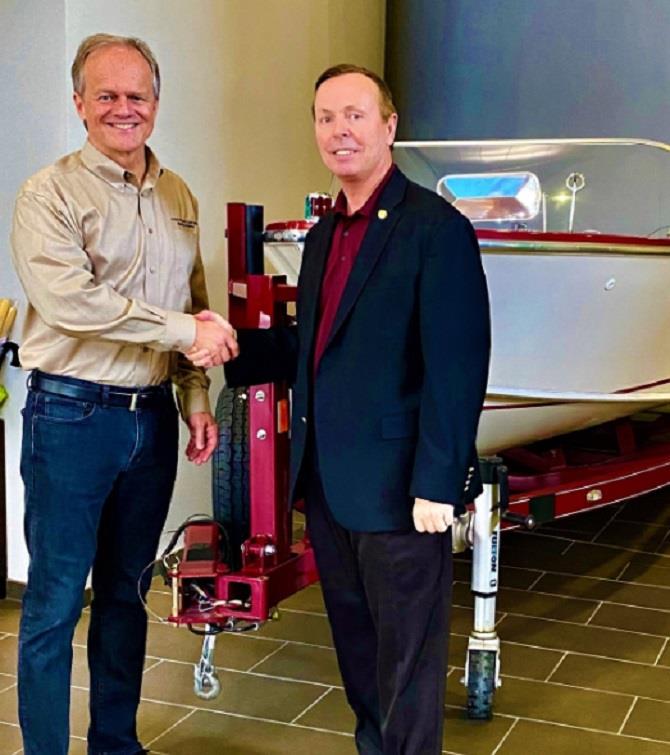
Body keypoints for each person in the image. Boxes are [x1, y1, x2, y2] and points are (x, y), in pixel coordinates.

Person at [214, 64, 490, 754]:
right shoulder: (324, 234)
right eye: (326, 117)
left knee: (407, 670)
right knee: (361, 664)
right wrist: (228, 347)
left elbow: (458, 366)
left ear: (389, 127)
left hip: (401, 496)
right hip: (332, 491)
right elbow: (317, 347)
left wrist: (438, 482)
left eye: (355, 114)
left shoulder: (437, 228)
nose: (340, 130)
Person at [10, 33, 237, 755]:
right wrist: (182, 332)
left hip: (150, 424)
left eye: (136, 95)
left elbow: (192, 306)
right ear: (79, 104)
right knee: (51, 607)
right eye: (105, 95)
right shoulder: (47, 194)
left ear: (156, 104)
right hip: (71, 417)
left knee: (126, 594)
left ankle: (115, 743)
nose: (123, 108)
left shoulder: (178, 195)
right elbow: (74, 302)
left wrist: (196, 397)